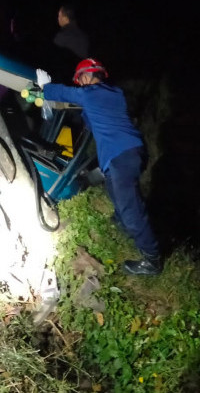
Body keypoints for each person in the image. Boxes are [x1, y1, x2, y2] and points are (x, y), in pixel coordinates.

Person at [36, 59, 162, 275]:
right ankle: (124, 224)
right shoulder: (111, 95)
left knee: (130, 207)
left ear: (86, 76)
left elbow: (68, 94)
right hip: (122, 154)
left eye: (80, 80)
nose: (79, 85)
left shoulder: (93, 93)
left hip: (122, 154)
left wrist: (45, 88)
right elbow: (88, 115)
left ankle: (152, 260)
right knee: (115, 192)